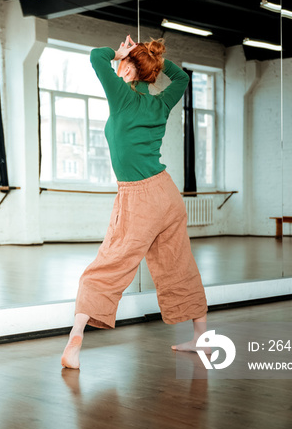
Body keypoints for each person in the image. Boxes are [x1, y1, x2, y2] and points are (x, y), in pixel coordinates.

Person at [61, 36, 209, 369]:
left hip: (139, 196)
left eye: (122, 64)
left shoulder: (123, 97)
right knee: (178, 265)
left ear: (129, 70)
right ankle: (202, 339)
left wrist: (122, 52)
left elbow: (95, 55)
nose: (116, 67)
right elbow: (182, 78)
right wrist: (153, 60)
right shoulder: (160, 102)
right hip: (167, 194)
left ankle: (76, 339)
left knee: (110, 262)